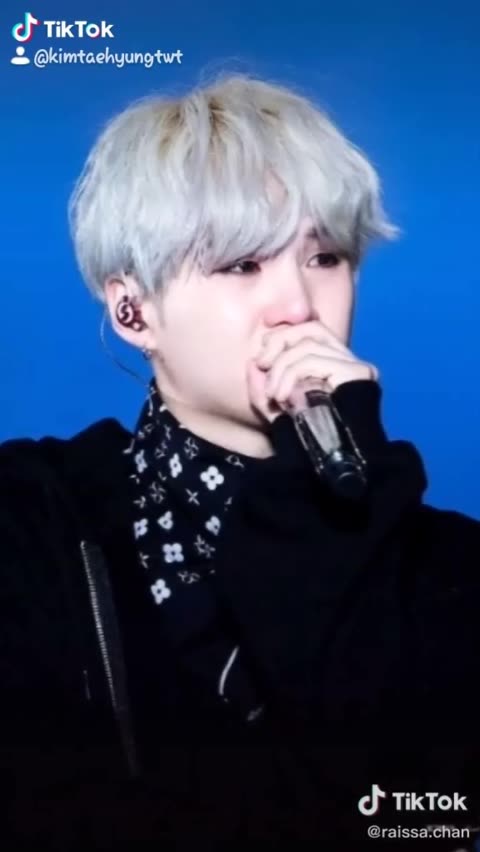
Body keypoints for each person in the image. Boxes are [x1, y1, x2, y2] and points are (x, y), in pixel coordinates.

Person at [1, 73, 480, 852]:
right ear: (133, 310)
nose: (298, 307)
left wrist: (339, 496)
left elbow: (426, 821)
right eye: (241, 265)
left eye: (325, 257)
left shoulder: (447, 563)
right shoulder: (31, 524)